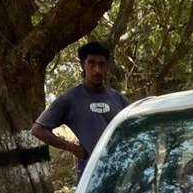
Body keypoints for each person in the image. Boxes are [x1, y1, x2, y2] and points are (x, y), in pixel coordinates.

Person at [32, 41, 129, 181]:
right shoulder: (70, 99)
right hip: (91, 176)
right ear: (83, 65)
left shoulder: (118, 98)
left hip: (122, 172)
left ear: (106, 67)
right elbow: (37, 130)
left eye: (101, 64)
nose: (97, 70)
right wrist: (72, 148)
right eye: (91, 63)